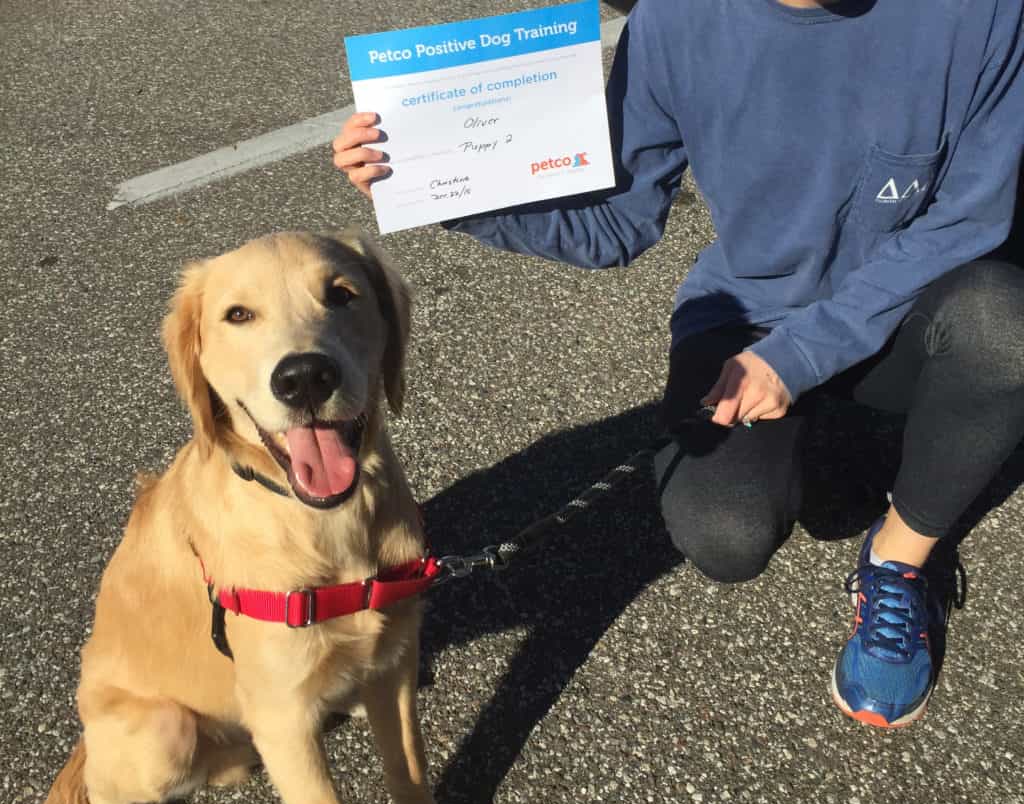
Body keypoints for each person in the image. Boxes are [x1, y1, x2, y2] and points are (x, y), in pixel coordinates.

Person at [334, 0, 1024, 729]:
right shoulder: (675, 21)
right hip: (752, 311)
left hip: (912, 303)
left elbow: (970, 219)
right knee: (724, 534)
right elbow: (615, 223)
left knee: (1006, 326)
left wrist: (800, 357)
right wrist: (445, 188)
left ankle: (900, 560)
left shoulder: (981, 12)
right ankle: (838, 455)